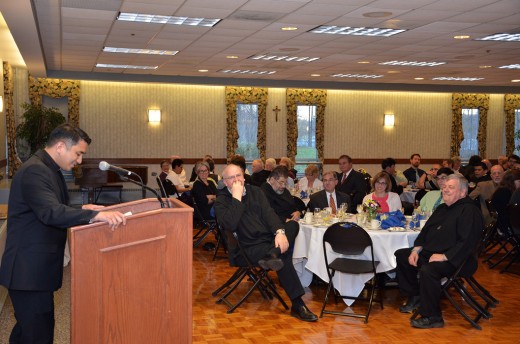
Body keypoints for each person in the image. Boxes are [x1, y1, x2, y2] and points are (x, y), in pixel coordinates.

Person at [0, 124, 127, 343]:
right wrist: (94, 217)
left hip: (34, 272)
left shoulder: (48, 169)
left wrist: (83, 210)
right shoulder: (35, 170)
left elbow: (49, 207)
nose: (79, 160)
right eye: (78, 153)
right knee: (36, 335)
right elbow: (51, 213)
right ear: (60, 146)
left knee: (29, 332)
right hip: (28, 272)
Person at [214, 164, 318, 322]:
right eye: (231, 178)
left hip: (268, 240)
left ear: (244, 176)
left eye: (239, 176)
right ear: (225, 181)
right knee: (282, 258)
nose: (236, 180)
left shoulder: (255, 191)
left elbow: (270, 214)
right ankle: (298, 304)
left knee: (293, 225)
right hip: (246, 248)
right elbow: (230, 225)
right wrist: (236, 198)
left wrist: (280, 232)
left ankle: (274, 253)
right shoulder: (222, 200)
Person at [394, 174, 483, 329]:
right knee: (402, 255)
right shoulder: (443, 208)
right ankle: (416, 296)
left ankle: (433, 317)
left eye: (451, 187)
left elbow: (467, 242)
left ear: (463, 192)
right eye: (444, 187)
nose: (445, 190)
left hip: (459, 259)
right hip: (432, 253)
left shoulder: (469, 210)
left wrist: (444, 256)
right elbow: (425, 232)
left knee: (429, 270)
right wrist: (416, 249)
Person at [491, 169, 520, 234]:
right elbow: (509, 213)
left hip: (506, 223)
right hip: (508, 226)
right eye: (519, 181)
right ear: (511, 181)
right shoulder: (504, 192)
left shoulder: (503, 190)